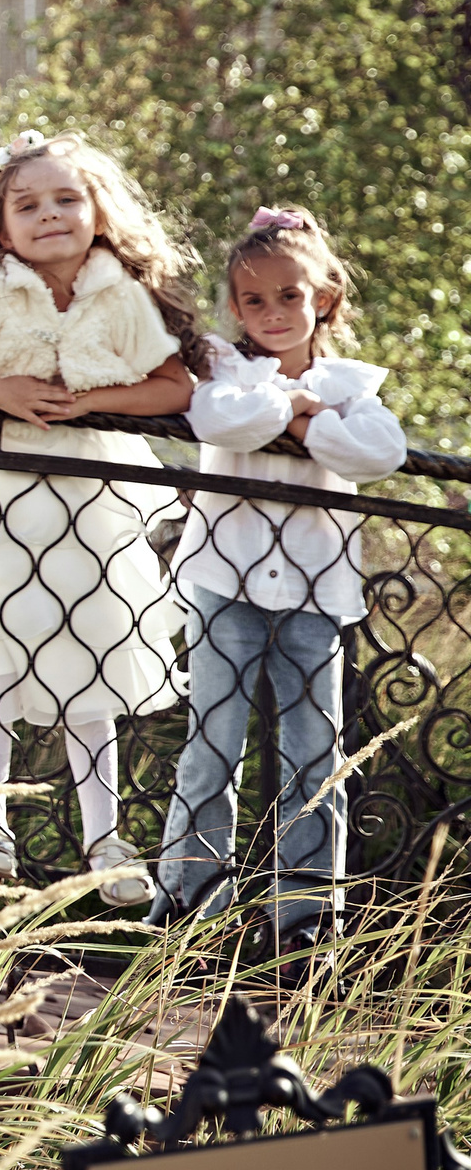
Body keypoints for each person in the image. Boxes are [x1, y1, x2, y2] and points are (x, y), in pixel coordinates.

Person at [0, 130, 201, 901]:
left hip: (87, 504)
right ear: (1, 224)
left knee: (93, 664)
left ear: (97, 211)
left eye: (66, 199)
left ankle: (107, 842)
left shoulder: (120, 295)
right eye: (27, 205)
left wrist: (93, 401)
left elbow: (173, 387)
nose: (49, 214)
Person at [151, 207, 404, 949]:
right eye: (255, 301)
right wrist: (288, 405)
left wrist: (301, 423)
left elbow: (378, 451)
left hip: (314, 596)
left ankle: (306, 917)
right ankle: (190, 904)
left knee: (314, 753)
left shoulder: (350, 383)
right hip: (223, 583)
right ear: (235, 308)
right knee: (212, 742)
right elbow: (218, 423)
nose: (273, 313)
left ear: (322, 297)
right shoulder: (227, 371)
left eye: (289, 296)